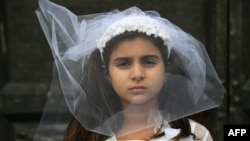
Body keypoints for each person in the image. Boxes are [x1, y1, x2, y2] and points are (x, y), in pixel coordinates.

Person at [35, 0, 226, 141]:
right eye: (123, 63)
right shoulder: (86, 137)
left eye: (149, 62)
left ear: (166, 69)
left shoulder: (194, 136)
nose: (137, 74)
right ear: (106, 74)